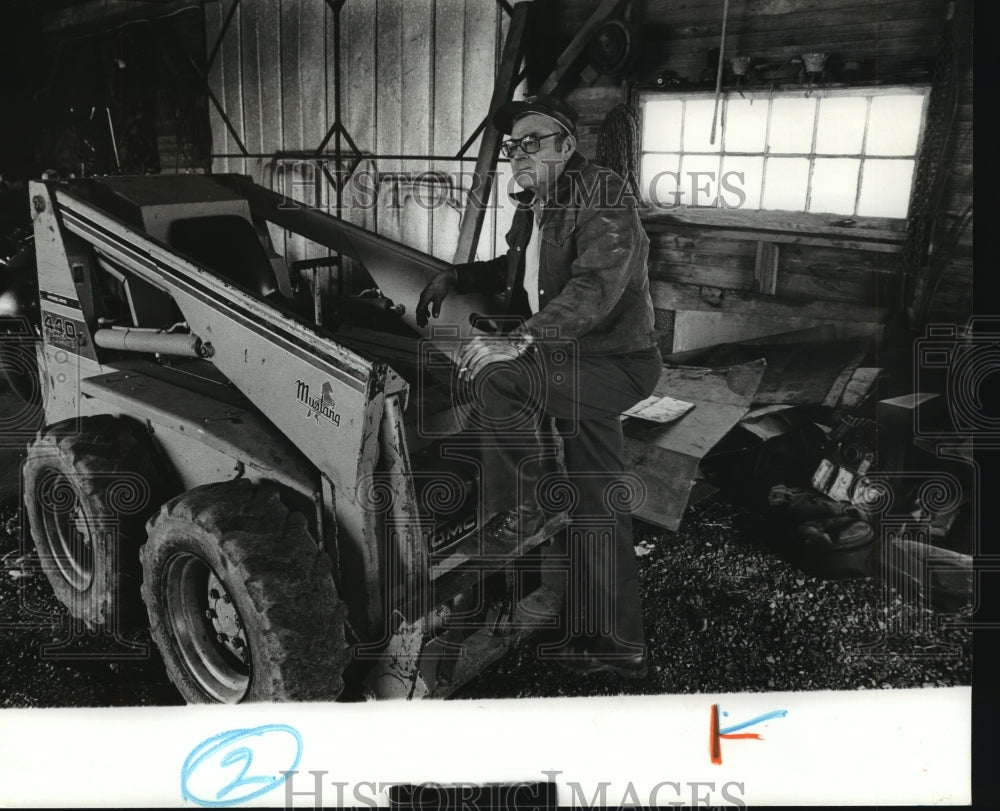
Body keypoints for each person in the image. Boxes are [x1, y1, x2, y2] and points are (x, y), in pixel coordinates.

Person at [416, 94, 661, 678]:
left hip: (613, 363)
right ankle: (618, 644)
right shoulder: (535, 207)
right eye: (510, 147)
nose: (517, 155)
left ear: (566, 146)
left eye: (531, 142)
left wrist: (520, 340)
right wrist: (450, 275)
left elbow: (594, 289)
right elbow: (510, 273)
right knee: (600, 501)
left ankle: (520, 507)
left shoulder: (603, 194)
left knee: (499, 376)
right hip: (573, 363)